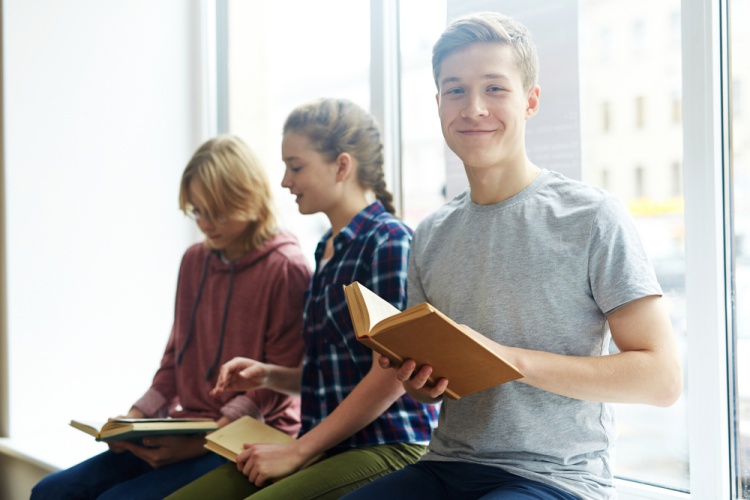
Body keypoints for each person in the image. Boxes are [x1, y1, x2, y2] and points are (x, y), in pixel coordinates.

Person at [342, 11, 682, 500]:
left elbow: (662, 379)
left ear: (531, 101)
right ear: (439, 104)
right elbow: (426, 387)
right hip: (446, 466)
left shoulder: (592, 216)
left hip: (555, 477)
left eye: (495, 89)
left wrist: (509, 359)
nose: (474, 108)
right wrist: (420, 381)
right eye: (455, 90)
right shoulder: (432, 233)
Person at [166, 98, 439, 500]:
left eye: (295, 167)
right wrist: (269, 375)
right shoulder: (327, 248)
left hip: (387, 444)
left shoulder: (389, 241)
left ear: (342, 166)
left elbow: (391, 377)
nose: (284, 182)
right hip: (329, 444)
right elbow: (337, 374)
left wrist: (299, 450)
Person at [31, 136, 311, 500]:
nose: (205, 224)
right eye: (197, 211)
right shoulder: (195, 260)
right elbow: (174, 360)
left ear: (249, 197)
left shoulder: (286, 268)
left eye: (216, 211)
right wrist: (130, 421)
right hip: (186, 427)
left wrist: (202, 443)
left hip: (249, 437)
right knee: (52, 491)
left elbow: (275, 385)